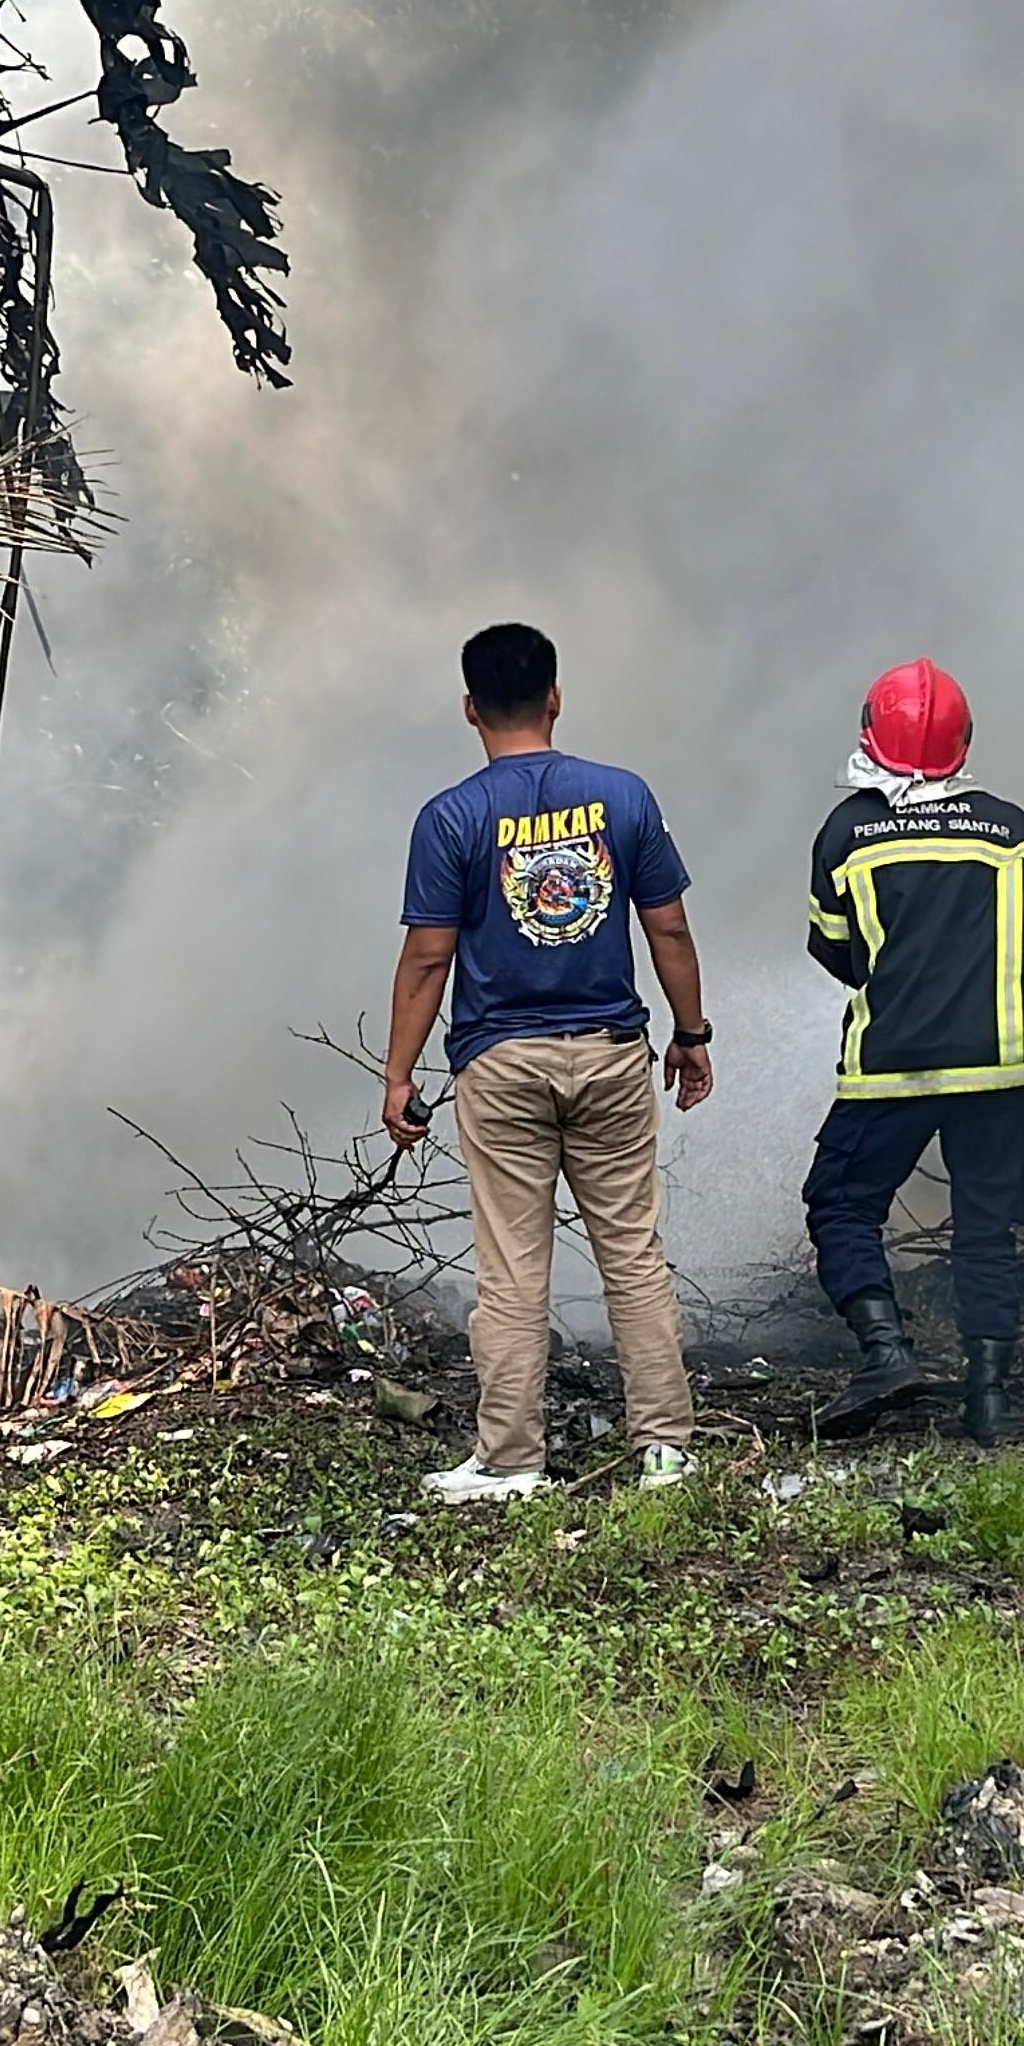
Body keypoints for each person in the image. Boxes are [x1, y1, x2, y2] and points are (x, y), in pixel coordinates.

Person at [382, 620, 713, 1501]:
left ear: (470, 709)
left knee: (512, 1270)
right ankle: (665, 1448)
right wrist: (691, 1035)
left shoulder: (450, 818)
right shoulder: (624, 797)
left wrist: (399, 1076)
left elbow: (427, 959)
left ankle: (512, 1457)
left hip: (501, 1066)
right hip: (610, 1056)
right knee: (633, 1255)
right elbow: (669, 929)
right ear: (555, 697)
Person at [804, 657, 1024, 1444]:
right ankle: (988, 1400)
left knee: (841, 1203)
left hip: (894, 1063)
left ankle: (886, 1353)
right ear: (965, 742)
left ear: (870, 736)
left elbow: (835, 950)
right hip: (1000, 1063)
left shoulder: (847, 832)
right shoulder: (1012, 829)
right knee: (985, 1228)